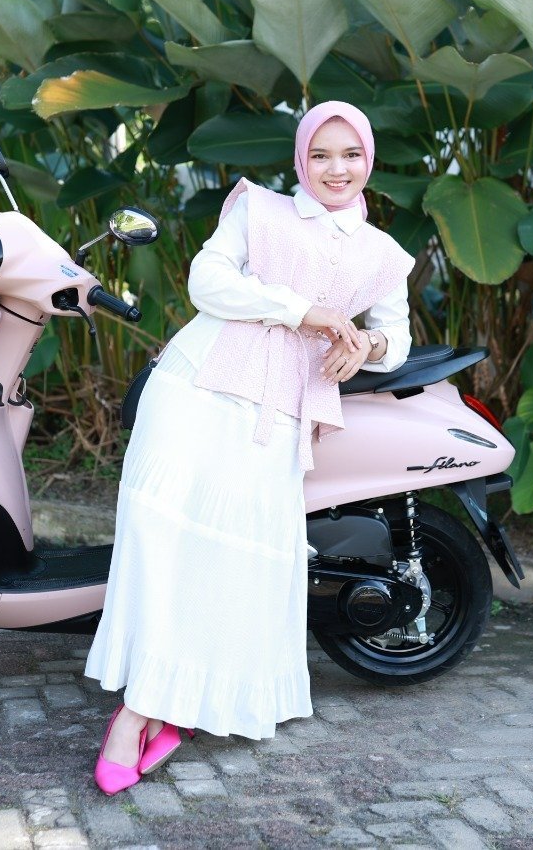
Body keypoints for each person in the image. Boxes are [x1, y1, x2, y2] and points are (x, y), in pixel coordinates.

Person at [81, 100, 415, 794]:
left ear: (369, 160)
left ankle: (157, 710)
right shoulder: (259, 210)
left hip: (278, 413)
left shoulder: (382, 254)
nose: (336, 169)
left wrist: (368, 344)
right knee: (160, 543)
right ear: (301, 159)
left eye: (350, 154)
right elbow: (207, 281)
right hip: (195, 388)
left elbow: (398, 337)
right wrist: (305, 312)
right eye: (320, 154)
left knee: (226, 564)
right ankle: (147, 705)